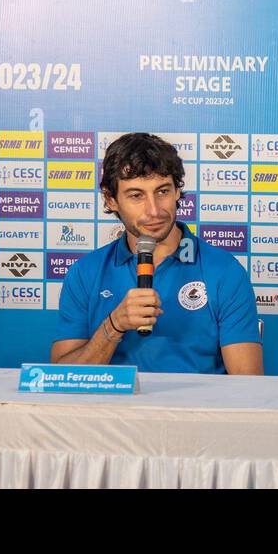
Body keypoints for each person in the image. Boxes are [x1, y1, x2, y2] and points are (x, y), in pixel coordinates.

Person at [50, 133, 262, 374]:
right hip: (113, 411)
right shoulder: (85, 273)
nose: (154, 211)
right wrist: (114, 325)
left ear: (177, 192)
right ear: (111, 200)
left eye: (162, 192)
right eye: (136, 195)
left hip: (197, 411)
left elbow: (249, 385)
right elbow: (61, 377)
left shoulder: (225, 271)